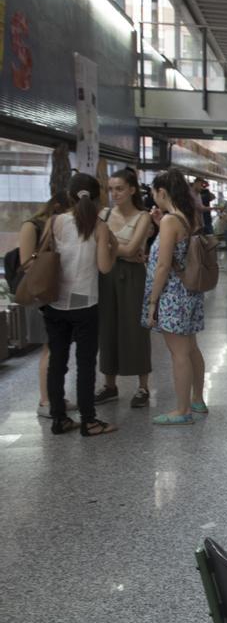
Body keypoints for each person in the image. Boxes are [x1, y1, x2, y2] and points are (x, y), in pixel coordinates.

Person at [42, 172, 118, 436]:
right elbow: (105, 268)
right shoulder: (99, 226)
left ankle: (59, 419)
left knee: (57, 362)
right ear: (97, 197)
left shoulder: (55, 222)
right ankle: (89, 421)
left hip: (55, 302)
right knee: (85, 364)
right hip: (85, 303)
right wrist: (114, 248)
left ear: (68, 196)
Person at [142, 169, 208, 426]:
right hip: (189, 292)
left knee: (178, 352)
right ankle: (197, 399)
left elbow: (162, 265)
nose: (153, 199)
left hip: (172, 294)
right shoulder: (187, 218)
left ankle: (182, 410)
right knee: (191, 348)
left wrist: (152, 301)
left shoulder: (171, 221)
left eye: (153, 193)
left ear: (162, 192)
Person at [94, 168, 153, 409]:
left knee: (135, 326)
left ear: (131, 189)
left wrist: (108, 245)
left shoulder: (143, 216)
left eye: (119, 189)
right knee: (107, 326)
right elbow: (123, 249)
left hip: (133, 277)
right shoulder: (104, 214)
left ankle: (143, 386)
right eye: (111, 189)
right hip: (105, 275)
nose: (114, 194)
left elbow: (131, 251)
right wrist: (123, 248)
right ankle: (110, 384)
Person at [19, 192, 77, 419]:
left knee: (58, 348)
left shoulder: (60, 228)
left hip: (56, 294)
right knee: (49, 347)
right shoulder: (31, 226)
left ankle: (56, 396)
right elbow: (27, 264)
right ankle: (45, 400)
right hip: (38, 295)